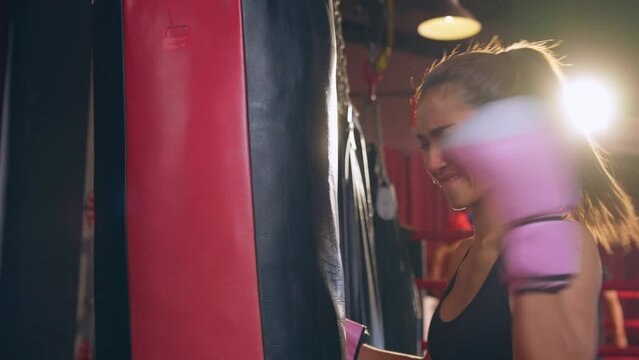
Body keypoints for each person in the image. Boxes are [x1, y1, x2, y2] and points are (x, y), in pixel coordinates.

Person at [360, 39, 639, 360]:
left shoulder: (560, 240)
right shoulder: (463, 255)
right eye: (424, 144)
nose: (433, 162)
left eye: (447, 136)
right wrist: (346, 344)